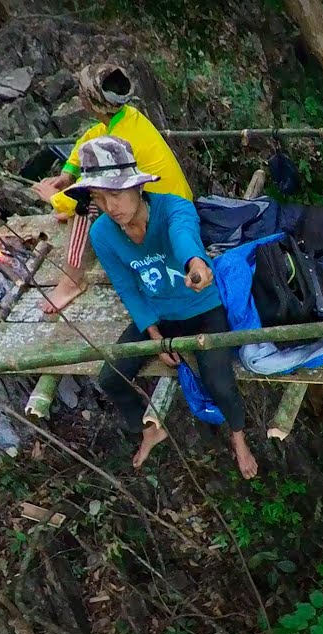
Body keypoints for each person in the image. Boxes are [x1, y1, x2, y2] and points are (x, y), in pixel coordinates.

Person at [63, 136, 258, 479]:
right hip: (159, 314)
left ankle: (239, 437)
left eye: (117, 194)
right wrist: (152, 331)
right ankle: (149, 428)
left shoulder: (174, 208)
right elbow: (127, 286)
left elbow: (184, 237)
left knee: (218, 381)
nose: (111, 207)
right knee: (110, 376)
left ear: (138, 187)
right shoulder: (102, 234)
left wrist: (195, 265)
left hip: (201, 307)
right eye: (101, 198)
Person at [33, 63, 194, 315]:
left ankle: (72, 281)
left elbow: (93, 191)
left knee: (84, 207)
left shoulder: (120, 137)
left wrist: (56, 198)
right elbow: (90, 138)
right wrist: (68, 173)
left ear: (90, 100)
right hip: (171, 201)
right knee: (91, 197)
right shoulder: (126, 117)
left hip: (163, 215)